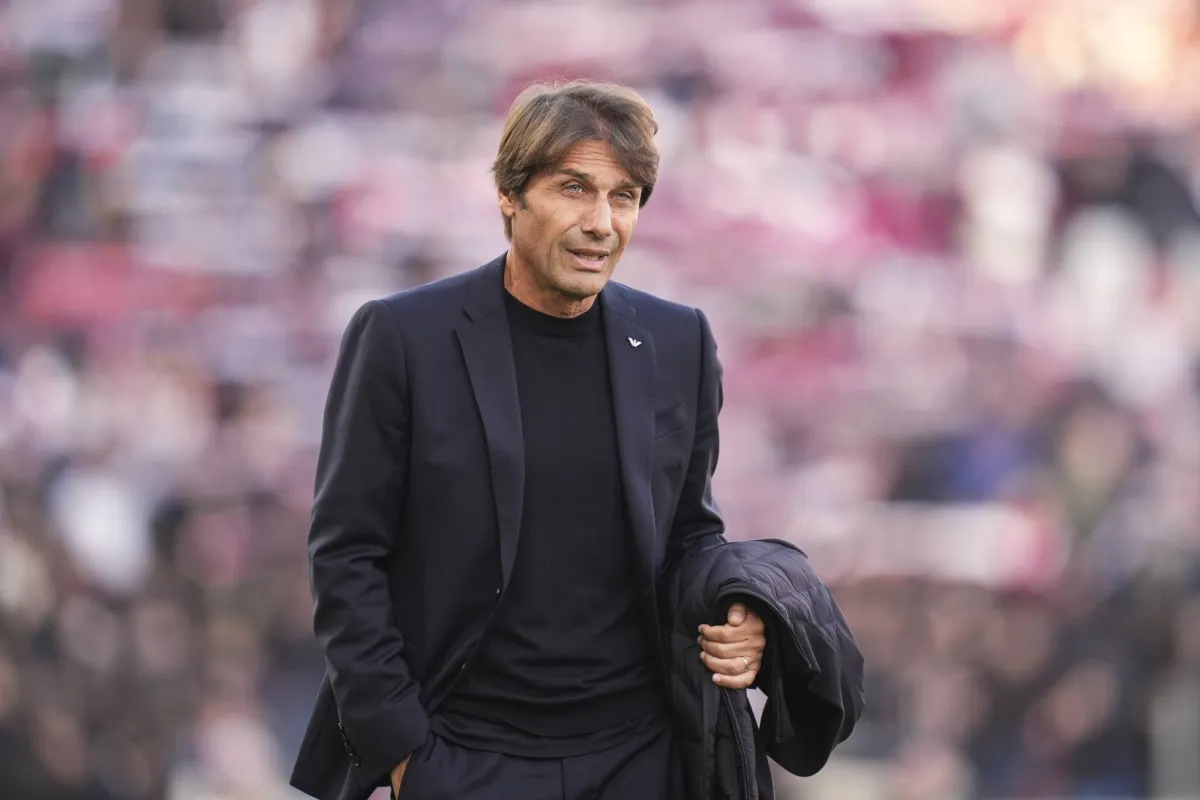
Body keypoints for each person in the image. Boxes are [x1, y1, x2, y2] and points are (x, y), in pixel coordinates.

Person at [289, 80, 862, 800]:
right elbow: (346, 555)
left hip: (641, 756)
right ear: (510, 194)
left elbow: (688, 534)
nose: (601, 223)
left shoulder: (679, 341)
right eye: (574, 189)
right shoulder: (402, 338)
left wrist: (742, 612)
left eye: (624, 197)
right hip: (465, 753)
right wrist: (405, 754)